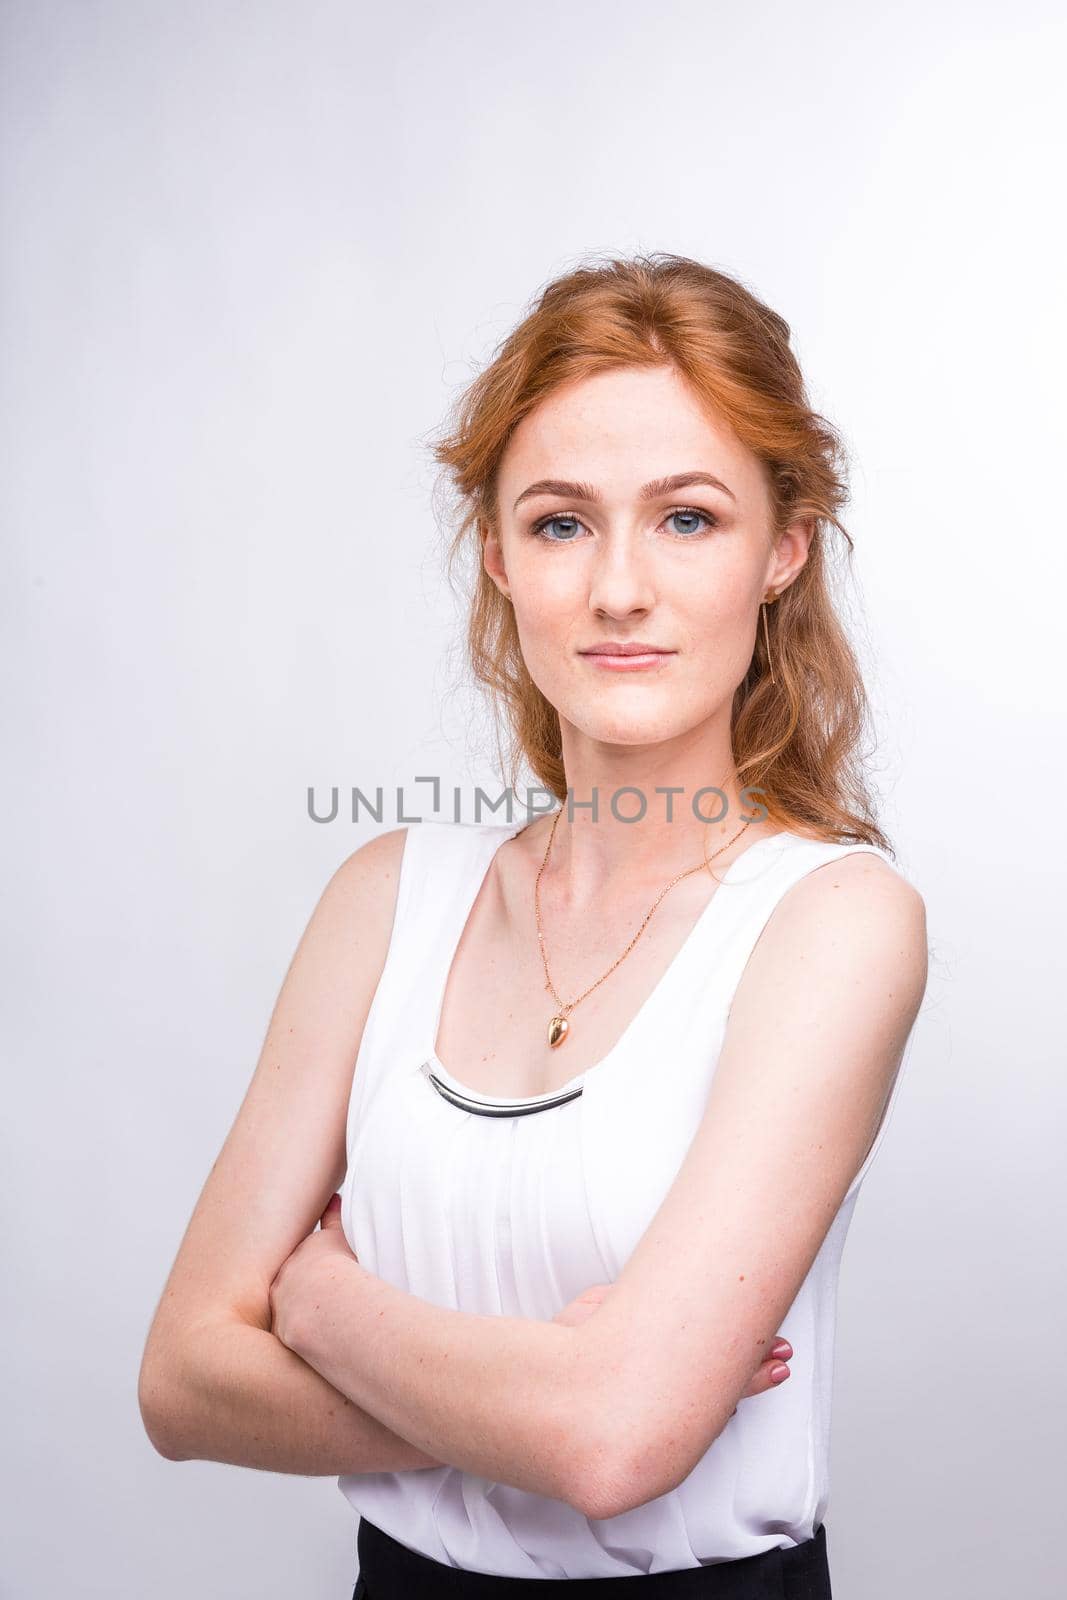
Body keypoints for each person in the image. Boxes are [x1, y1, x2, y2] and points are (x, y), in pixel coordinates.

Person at [138, 253, 928, 1598]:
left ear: (783, 548)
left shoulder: (836, 922)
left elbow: (616, 1441)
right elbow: (181, 1380)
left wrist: (324, 1306)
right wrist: (555, 1397)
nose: (619, 588)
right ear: (498, 553)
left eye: (688, 519)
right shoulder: (390, 896)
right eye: (562, 523)